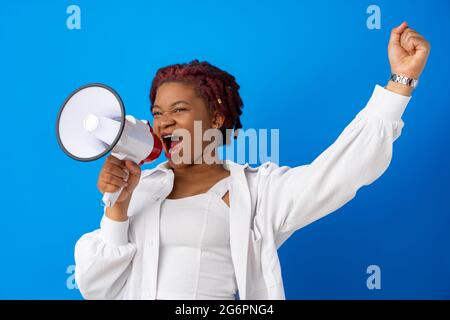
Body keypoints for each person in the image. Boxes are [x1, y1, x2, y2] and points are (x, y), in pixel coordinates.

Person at [74, 22, 430, 299]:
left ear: (216, 119)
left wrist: (400, 83)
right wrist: (117, 209)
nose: (164, 121)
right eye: (157, 112)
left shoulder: (258, 192)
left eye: (179, 110)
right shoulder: (139, 190)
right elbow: (97, 288)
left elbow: (340, 172)